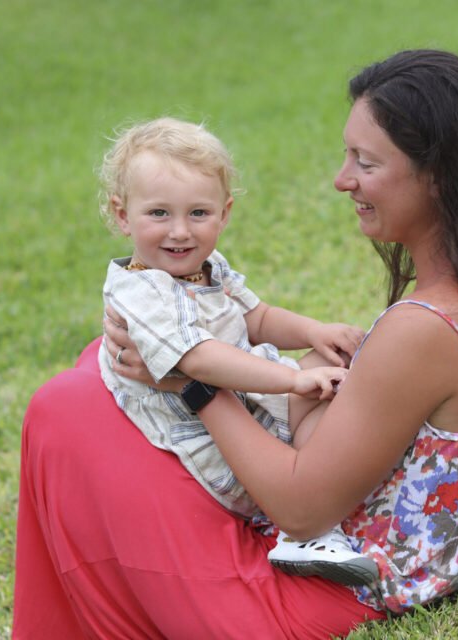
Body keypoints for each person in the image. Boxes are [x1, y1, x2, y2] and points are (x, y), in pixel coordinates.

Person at [13, 49, 458, 639]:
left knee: (62, 409)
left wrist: (193, 385)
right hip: (390, 552)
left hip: (330, 588)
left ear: (437, 176)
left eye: (365, 161)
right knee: (94, 370)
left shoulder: (424, 326)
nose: (342, 179)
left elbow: (302, 510)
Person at [94, 117, 376, 584]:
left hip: (250, 401)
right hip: (215, 444)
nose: (180, 232)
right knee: (324, 406)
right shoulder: (139, 292)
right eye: (159, 214)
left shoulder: (205, 266)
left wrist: (315, 330)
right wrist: (293, 380)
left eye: (198, 214)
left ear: (224, 213)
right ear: (123, 215)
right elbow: (198, 359)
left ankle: (329, 478)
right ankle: (305, 530)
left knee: (336, 369)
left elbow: (256, 317)